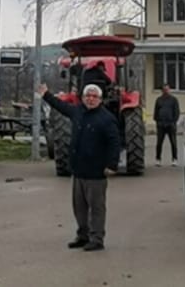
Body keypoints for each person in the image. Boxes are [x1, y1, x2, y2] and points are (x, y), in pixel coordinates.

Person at [39, 81, 121, 251]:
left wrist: (112, 165)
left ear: (100, 99)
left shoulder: (107, 119)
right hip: (78, 170)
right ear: (83, 98)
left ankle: (97, 238)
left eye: (94, 96)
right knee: (79, 207)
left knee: (96, 208)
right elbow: (61, 106)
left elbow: (114, 143)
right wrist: (46, 95)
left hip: (96, 172)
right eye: (87, 96)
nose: (90, 99)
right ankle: (83, 236)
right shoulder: (78, 112)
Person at [153, 85, 180, 166]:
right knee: (159, 143)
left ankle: (174, 159)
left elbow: (176, 112)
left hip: (171, 125)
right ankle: (158, 159)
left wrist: (174, 121)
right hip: (161, 125)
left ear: (169, 90)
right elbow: (156, 112)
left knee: (173, 143)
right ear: (162, 91)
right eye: (164, 90)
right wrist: (157, 122)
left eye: (167, 89)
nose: (166, 91)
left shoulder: (174, 100)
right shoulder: (159, 100)